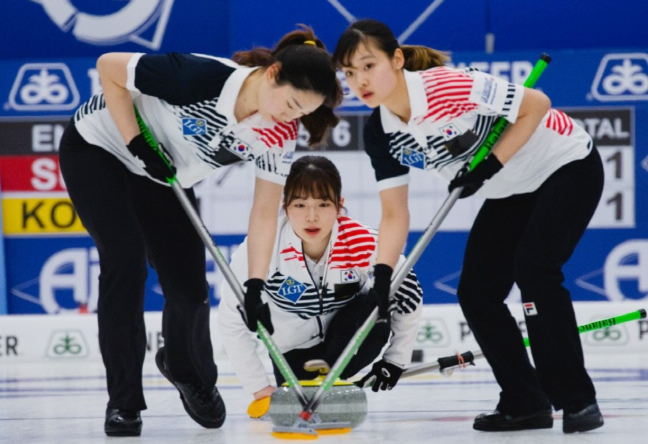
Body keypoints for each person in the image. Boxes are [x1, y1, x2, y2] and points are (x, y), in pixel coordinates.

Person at [58, 26, 342, 437]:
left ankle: (183, 366)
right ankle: (124, 402)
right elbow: (108, 68)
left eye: (303, 112)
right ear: (272, 73)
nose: (291, 116)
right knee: (126, 264)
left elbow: (264, 213)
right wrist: (136, 142)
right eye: (292, 103)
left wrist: (256, 285)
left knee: (189, 288)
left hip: (163, 175)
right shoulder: (199, 77)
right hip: (100, 147)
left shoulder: (278, 133)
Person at [333, 19, 605, 434]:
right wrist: (383, 274)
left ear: (398, 59)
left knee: (535, 270)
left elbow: (537, 103)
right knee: (477, 293)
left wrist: (491, 164)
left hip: (564, 166)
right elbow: (394, 213)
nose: (360, 81)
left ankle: (577, 400)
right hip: (509, 191)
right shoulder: (381, 133)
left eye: (368, 66)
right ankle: (525, 401)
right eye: (349, 73)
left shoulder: (444, 87)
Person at [218, 155, 423, 414]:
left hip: (351, 340)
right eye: (300, 205)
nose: (311, 217)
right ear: (285, 206)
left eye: (324, 204)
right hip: (291, 353)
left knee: (374, 301)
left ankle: (332, 379)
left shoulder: (361, 241)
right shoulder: (261, 247)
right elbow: (231, 319)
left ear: (339, 206)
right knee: (296, 394)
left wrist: (395, 359)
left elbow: (409, 291)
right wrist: (260, 388)